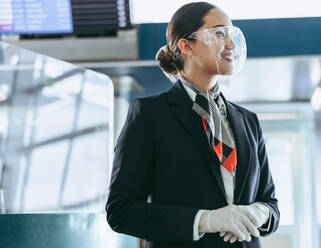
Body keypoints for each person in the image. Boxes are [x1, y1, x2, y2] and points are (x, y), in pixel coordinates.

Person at [105, 2, 279, 248]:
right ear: (186, 46)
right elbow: (121, 211)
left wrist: (261, 213)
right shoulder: (150, 114)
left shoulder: (247, 120)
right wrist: (206, 220)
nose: (231, 44)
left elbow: (270, 203)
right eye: (219, 34)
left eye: (232, 34)